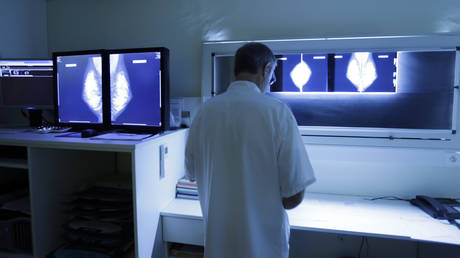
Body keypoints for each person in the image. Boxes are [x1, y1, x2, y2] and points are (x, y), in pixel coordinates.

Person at [185, 42, 315, 258]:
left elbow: (192, 172)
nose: (269, 83)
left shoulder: (204, 113)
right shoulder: (277, 113)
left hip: (218, 247)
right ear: (266, 70)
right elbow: (294, 196)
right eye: (271, 76)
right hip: (262, 249)